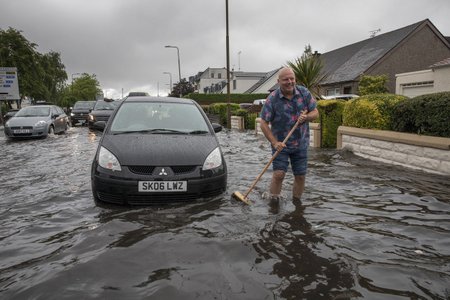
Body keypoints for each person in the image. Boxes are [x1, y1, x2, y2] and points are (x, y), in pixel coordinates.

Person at [259, 67, 319, 202]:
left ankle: (297, 204)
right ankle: (274, 203)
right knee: (279, 174)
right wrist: (274, 142)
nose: (290, 82)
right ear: (278, 81)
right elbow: (263, 123)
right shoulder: (273, 99)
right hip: (281, 144)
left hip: (301, 144)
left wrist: (307, 118)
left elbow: (315, 112)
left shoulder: (304, 93)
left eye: (292, 78)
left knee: (300, 176)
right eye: (286, 79)